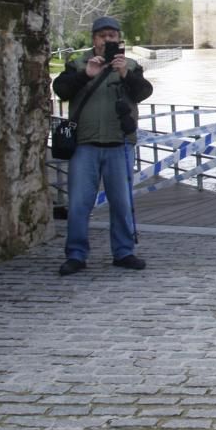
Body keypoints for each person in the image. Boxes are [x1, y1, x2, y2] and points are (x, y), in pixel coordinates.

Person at [52, 16, 152, 276]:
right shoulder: (77, 64)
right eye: (102, 36)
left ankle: (124, 252)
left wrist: (124, 73)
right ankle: (76, 254)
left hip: (119, 143)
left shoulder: (130, 64)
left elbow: (143, 92)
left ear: (119, 39)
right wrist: (86, 74)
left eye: (112, 36)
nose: (107, 40)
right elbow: (61, 89)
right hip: (85, 144)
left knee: (121, 201)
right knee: (79, 203)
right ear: (94, 39)